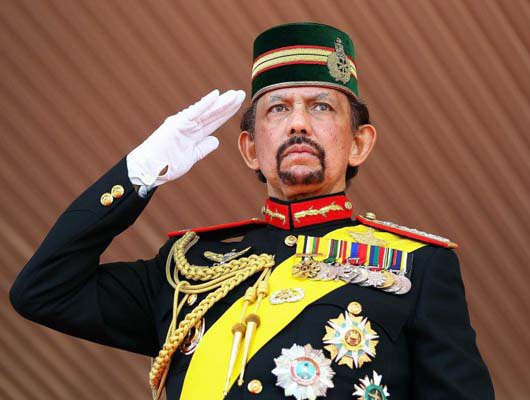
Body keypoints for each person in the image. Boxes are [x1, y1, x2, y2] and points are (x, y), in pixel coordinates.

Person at [10, 22, 494, 399]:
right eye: (277, 109)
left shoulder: (417, 266)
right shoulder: (187, 267)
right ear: (249, 149)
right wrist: (137, 174)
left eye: (322, 107)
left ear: (359, 143)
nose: (298, 123)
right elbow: (44, 291)